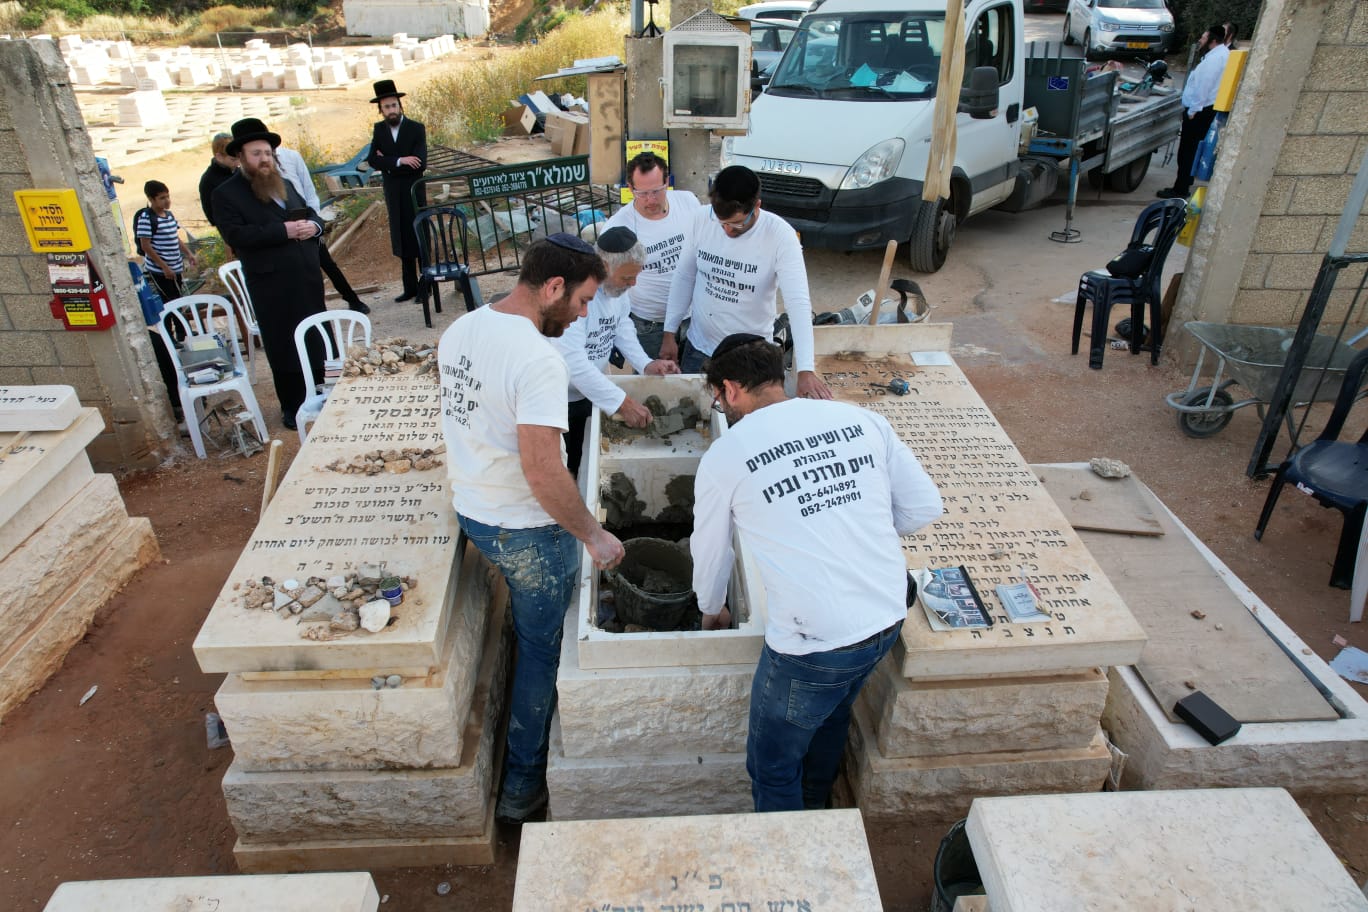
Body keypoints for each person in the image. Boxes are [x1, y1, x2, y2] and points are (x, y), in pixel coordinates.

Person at [690, 333, 942, 812]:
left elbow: (711, 552)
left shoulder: (726, 455)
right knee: (830, 717)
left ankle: (793, 862)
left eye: (718, 398)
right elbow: (924, 506)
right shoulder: (859, 419)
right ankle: (818, 809)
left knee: (773, 764)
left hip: (812, 643)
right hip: (887, 614)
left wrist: (711, 608)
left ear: (730, 389)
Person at [438, 233, 626, 825]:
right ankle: (522, 788)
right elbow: (543, 470)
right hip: (524, 530)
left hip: (475, 509)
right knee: (544, 654)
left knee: (531, 623)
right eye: (582, 300)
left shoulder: (465, 326)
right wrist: (592, 535)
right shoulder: (539, 359)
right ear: (552, 288)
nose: (584, 314)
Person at [661, 165, 832, 400]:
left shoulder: (780, 236)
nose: (728, 231)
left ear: (757, 206)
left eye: (737, 224)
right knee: (696, 420)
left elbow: (798, 303)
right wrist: (669, 332)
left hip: (749, 359)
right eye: (722, 223)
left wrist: (805, 369)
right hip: (699, 350)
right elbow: (684, 276)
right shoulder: (701, 219)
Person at [212, 117, 327, 431]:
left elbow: (311, 212)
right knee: (283, 344)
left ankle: (323, 394)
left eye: (267, 153)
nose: (264, 159)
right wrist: (284, 230)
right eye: (256, 154)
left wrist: (314, 226)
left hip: (305, 275)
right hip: (271, 284)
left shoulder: (283, 182)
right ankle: (292, 405)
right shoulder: (227, 194)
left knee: (316, 336)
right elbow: (237, 236)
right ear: (241, 157)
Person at [549, 226, 681, 475]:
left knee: (586, 452)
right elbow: (573, 363)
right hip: (559, 397)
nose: (633, 284)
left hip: (591, 389)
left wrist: (645, 363)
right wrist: (622, 402)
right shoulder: (576, 295)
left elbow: (621, 323)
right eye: (627, 278)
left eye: (636, 277)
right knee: (564, 463)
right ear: (603, 266)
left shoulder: (616, 290)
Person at [602, 151, 703, 358]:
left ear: (667, 182)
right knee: (655, 383)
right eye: (642, 193)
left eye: (657, 191)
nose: (650, 200)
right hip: (649, 323)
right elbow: (608, 283)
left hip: (694, 316)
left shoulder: (688, 203)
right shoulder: (618, 226)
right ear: (630, 188)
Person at [276, 144, 372, 315]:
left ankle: (353, 300)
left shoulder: (291, 156)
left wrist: (314, 221)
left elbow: (308, 189)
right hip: (282, 226)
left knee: (327, 263)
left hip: (304, 219)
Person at [366, 79, 427, 302]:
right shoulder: (379, 130)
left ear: (400, 106)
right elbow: (372, 160)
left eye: (394, 105)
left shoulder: (416, 128)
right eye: (386, 107)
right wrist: (401, 161)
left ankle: (425, 287)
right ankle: (409, 287)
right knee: (401, 239)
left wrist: (388, 162)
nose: (391, 110)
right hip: (393, 193)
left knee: (419, 237)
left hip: (413, 192)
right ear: (380, 110)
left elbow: (420, 163)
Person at [1157, 24, 1229, 200]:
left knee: (1187, 150)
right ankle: (1185, 181)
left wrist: (1193, 110)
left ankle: (1180, 188)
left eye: (1203, 38)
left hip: (1199, 111)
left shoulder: (1214, 59)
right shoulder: (1221, 55)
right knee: (1191, 149)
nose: (1200, 40)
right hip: (1204, 109)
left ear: (1212, 41)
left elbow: (1203, 87)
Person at [134, 179, 196, 304]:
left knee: (179, 299)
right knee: (170, 303)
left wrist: (189, 253)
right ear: (151, 199)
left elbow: (175, 237)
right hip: (160, 270)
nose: (167, 200)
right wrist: (164, 267)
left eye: (168, 196)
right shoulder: (146, 218)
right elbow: (145, 246)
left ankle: (180, 324)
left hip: (175, 267)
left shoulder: (169, 215)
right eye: (162, 198)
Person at [198, 132, 237, 228]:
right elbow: (211, 214)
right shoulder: (208, 181)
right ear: (219, 157)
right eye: (233, 159)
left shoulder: (238, 171)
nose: (238, 163)